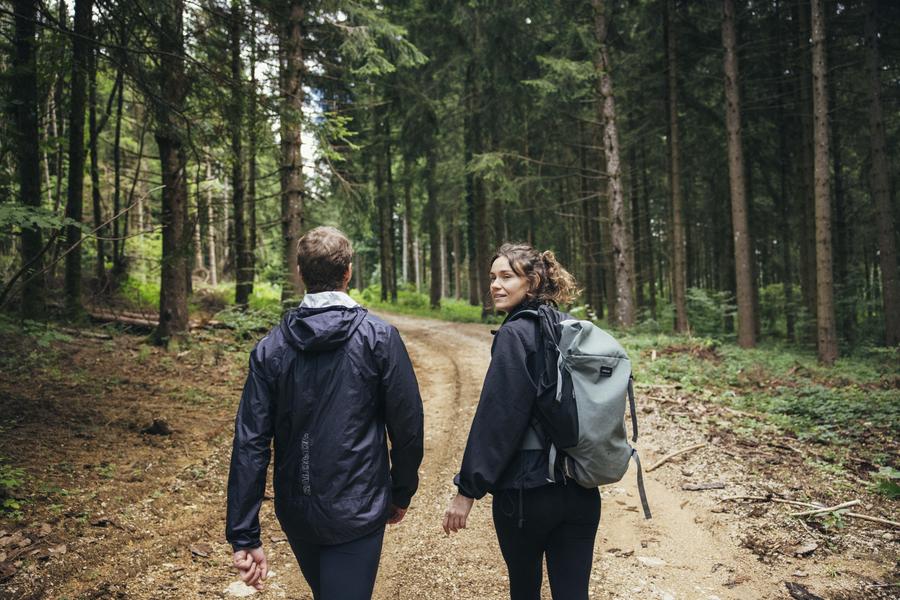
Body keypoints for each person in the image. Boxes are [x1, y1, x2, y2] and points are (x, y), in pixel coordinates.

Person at [226, 226, 424, 600]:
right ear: (348, 272)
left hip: (298, 507)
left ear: (299, 273)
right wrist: (401, 491)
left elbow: (250, 443)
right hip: (360, 506)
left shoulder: (271, 347)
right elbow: (408, 426)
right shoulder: (379, 338)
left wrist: (244, 533)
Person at [442, 242, 600, 600]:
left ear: (532, 282)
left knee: (524, 591)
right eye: (492, 277)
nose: (495, 285)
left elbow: (499, 418)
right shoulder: (572, 328)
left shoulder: (515, 333)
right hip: (581, 491)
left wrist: (467, 491)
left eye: (506, 277)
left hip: (528, 496)